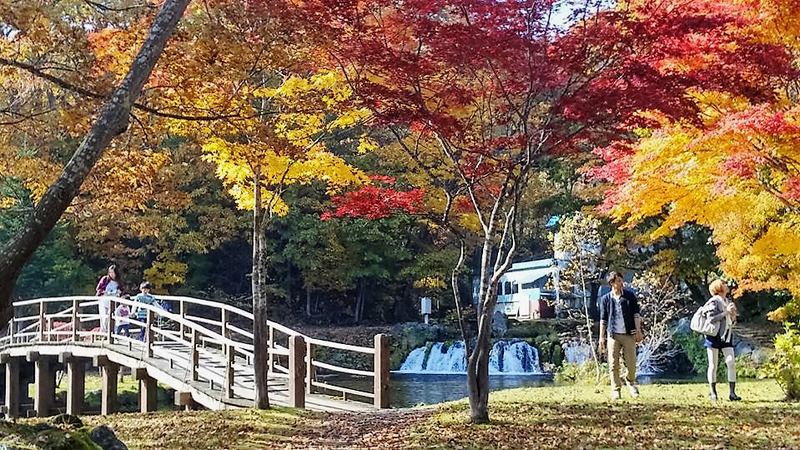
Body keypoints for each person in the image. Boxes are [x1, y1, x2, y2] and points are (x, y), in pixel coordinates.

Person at [598, 271, 644, 400]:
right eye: (618, 281)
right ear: (612, 283)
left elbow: (636, 315)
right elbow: (603, 319)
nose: (621, 283)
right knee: (613, 364)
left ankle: (630, 381)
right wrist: (601, 337)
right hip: (613, 335)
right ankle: (615, 389)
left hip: (629, 334)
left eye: (621, 280)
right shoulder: (605, 299)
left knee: (631, 363)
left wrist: (638, 331)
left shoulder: (629, 296)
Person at [703, 279, 741, 401]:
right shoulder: (713, 302)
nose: (726, 285)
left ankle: (732, 393)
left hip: (727, 335)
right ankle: (713, 393)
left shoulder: (727, 301)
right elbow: (711, 319)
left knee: (731, 362)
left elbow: (732, 320)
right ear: (718, 287)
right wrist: (726, 312)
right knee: (713, 365)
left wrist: (733, 314)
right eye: (724, 284)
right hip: (714, 336)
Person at [95, 265, 122, 333]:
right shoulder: (105, 279)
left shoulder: (118, 281)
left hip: (114, 302)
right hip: (104, 301)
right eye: (110, 272)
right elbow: (98, 289)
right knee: (104, 318)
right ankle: (104, 334)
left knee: (114, 318)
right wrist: (105, 292)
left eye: (113, 273)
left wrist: (119, 291)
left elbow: (122, 290)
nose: (112, 274)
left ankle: (113, 334)